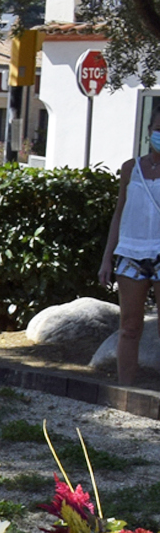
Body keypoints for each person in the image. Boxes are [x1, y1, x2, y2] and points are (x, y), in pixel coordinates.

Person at [98, 102, 160, 386]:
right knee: (129, 328)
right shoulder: (130, 168)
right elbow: (119, 213)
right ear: (149, 130)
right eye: (159, 129)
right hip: (131, 255)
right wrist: (107, 258)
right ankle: (124, 391)